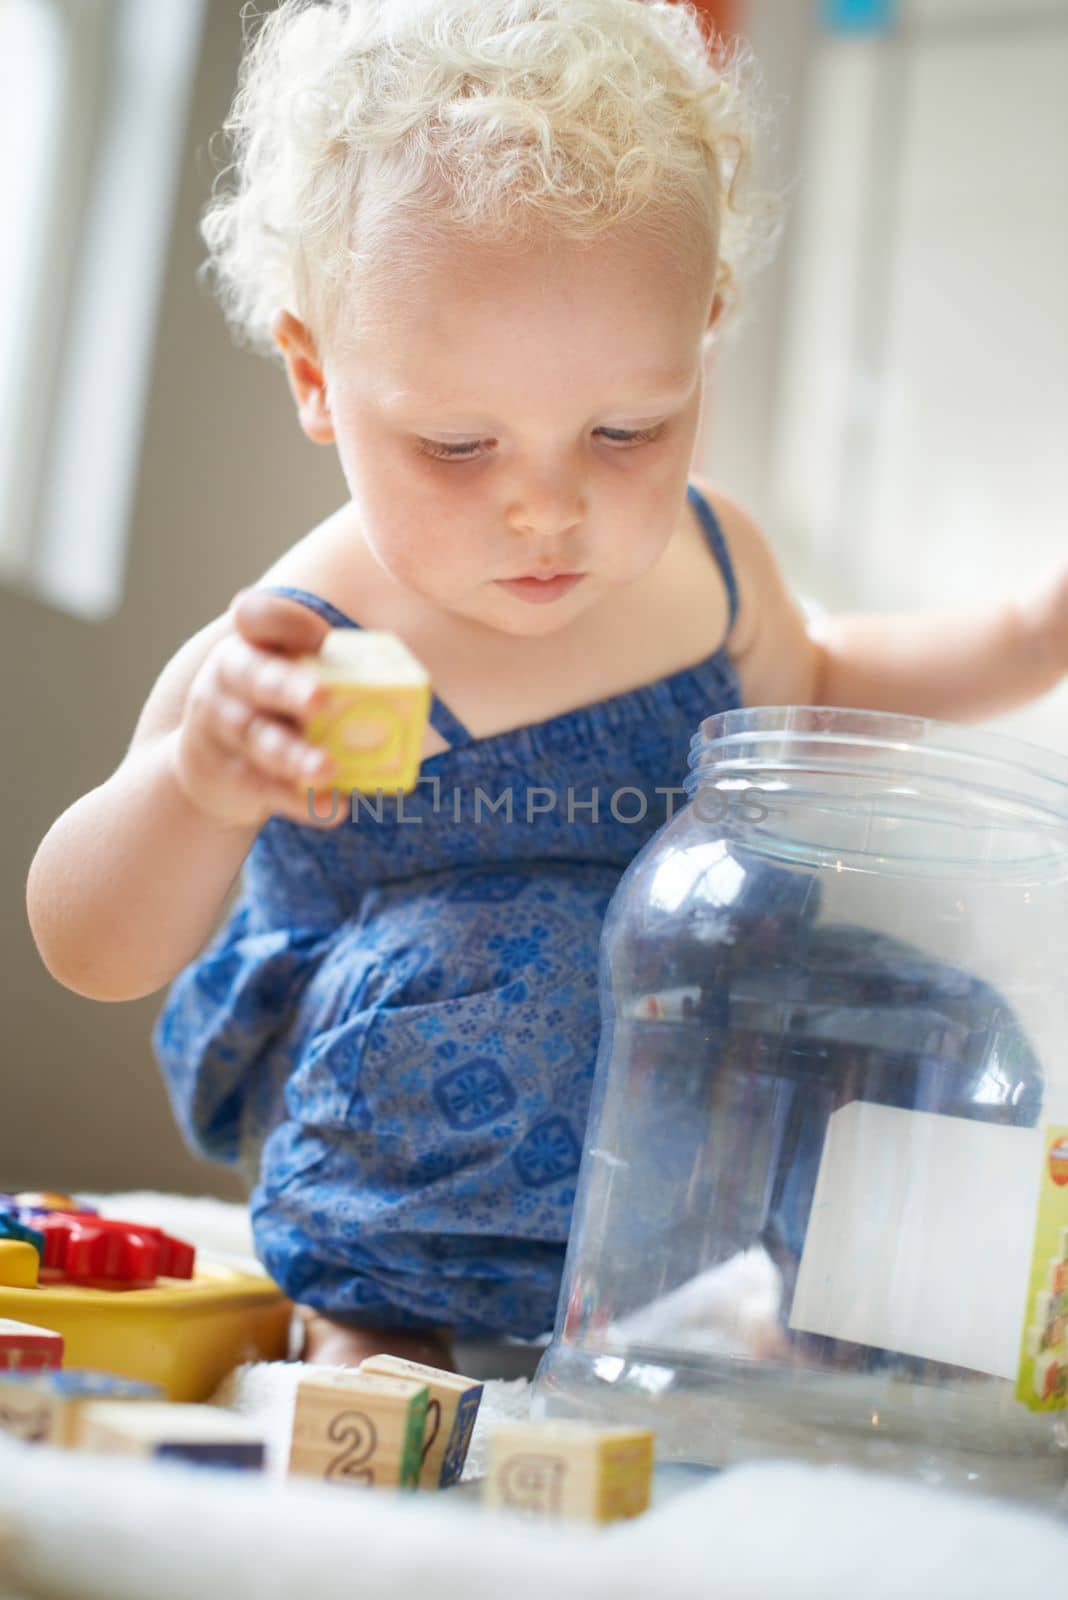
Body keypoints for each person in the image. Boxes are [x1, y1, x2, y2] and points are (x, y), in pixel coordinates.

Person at [26, 0, 1067, 1372]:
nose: (548, 509)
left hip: (681, 1071)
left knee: (934, 1024)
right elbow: (89, 944)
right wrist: (194, 781)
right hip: (419, 1093)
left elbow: (822, 680)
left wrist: (1032, 629)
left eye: (625, 430)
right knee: (505, 957)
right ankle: (379, 1319)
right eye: (459, 445)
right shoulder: (295, 637)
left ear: (705, 334)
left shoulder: (707, 558)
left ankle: (855, 1357)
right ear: (316, 375)